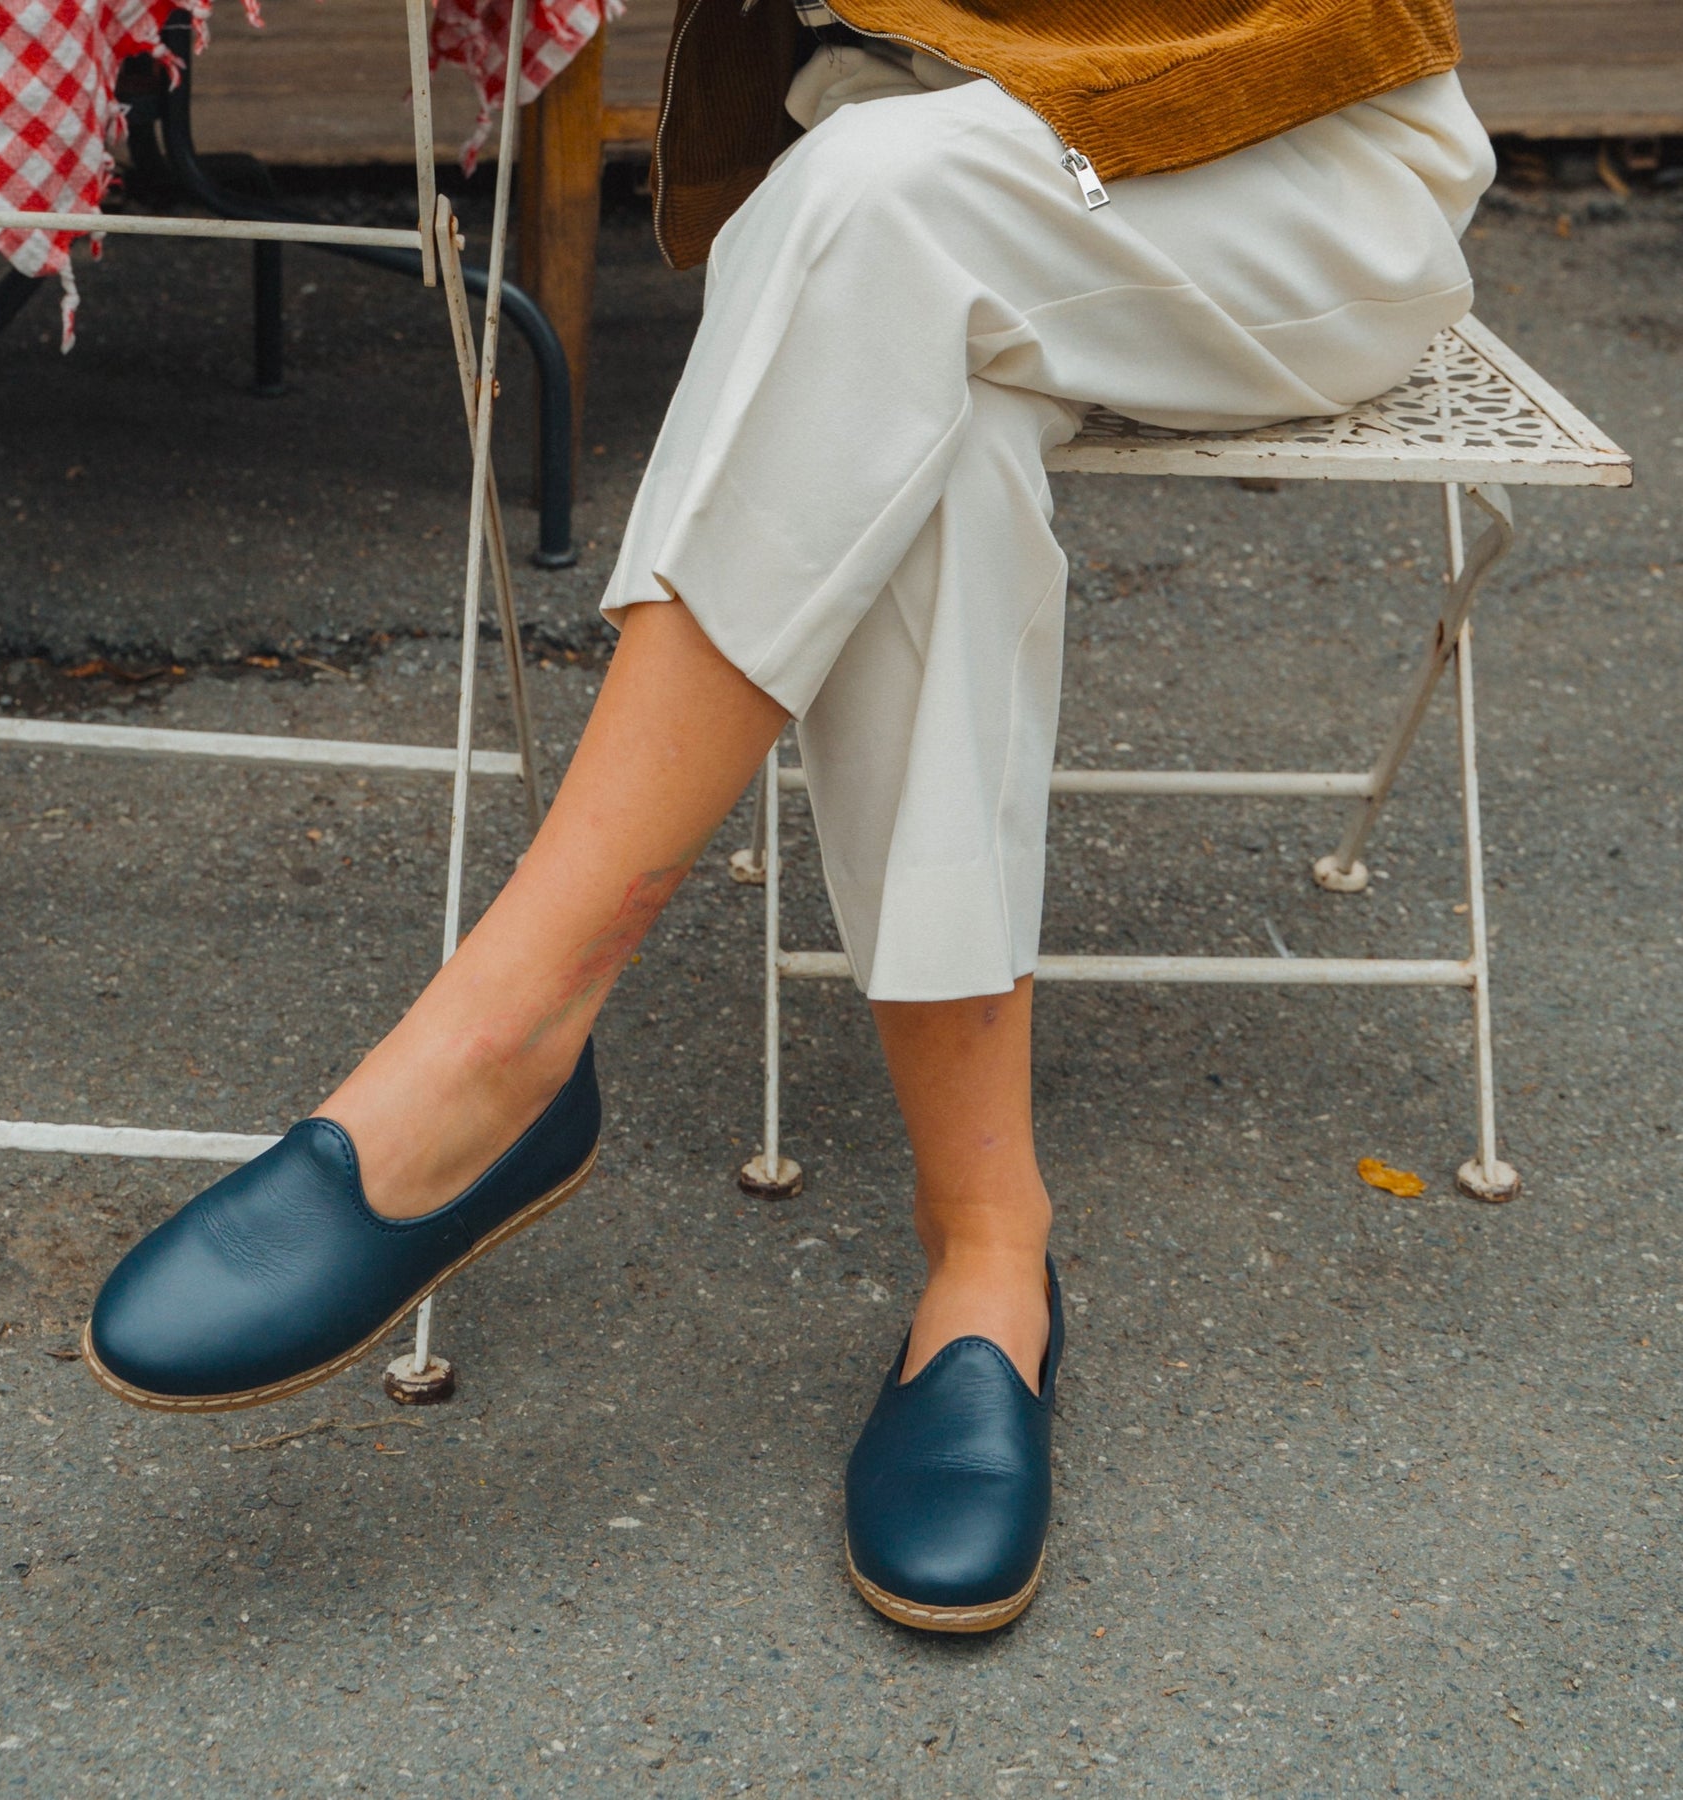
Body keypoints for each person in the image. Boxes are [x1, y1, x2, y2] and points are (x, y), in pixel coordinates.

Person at [83, 0, 1494, 1633]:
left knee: (865, 207)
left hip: (1282, 176)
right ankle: (988, 1250)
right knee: (916, 401)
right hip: (930, 164)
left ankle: (503, 1033)